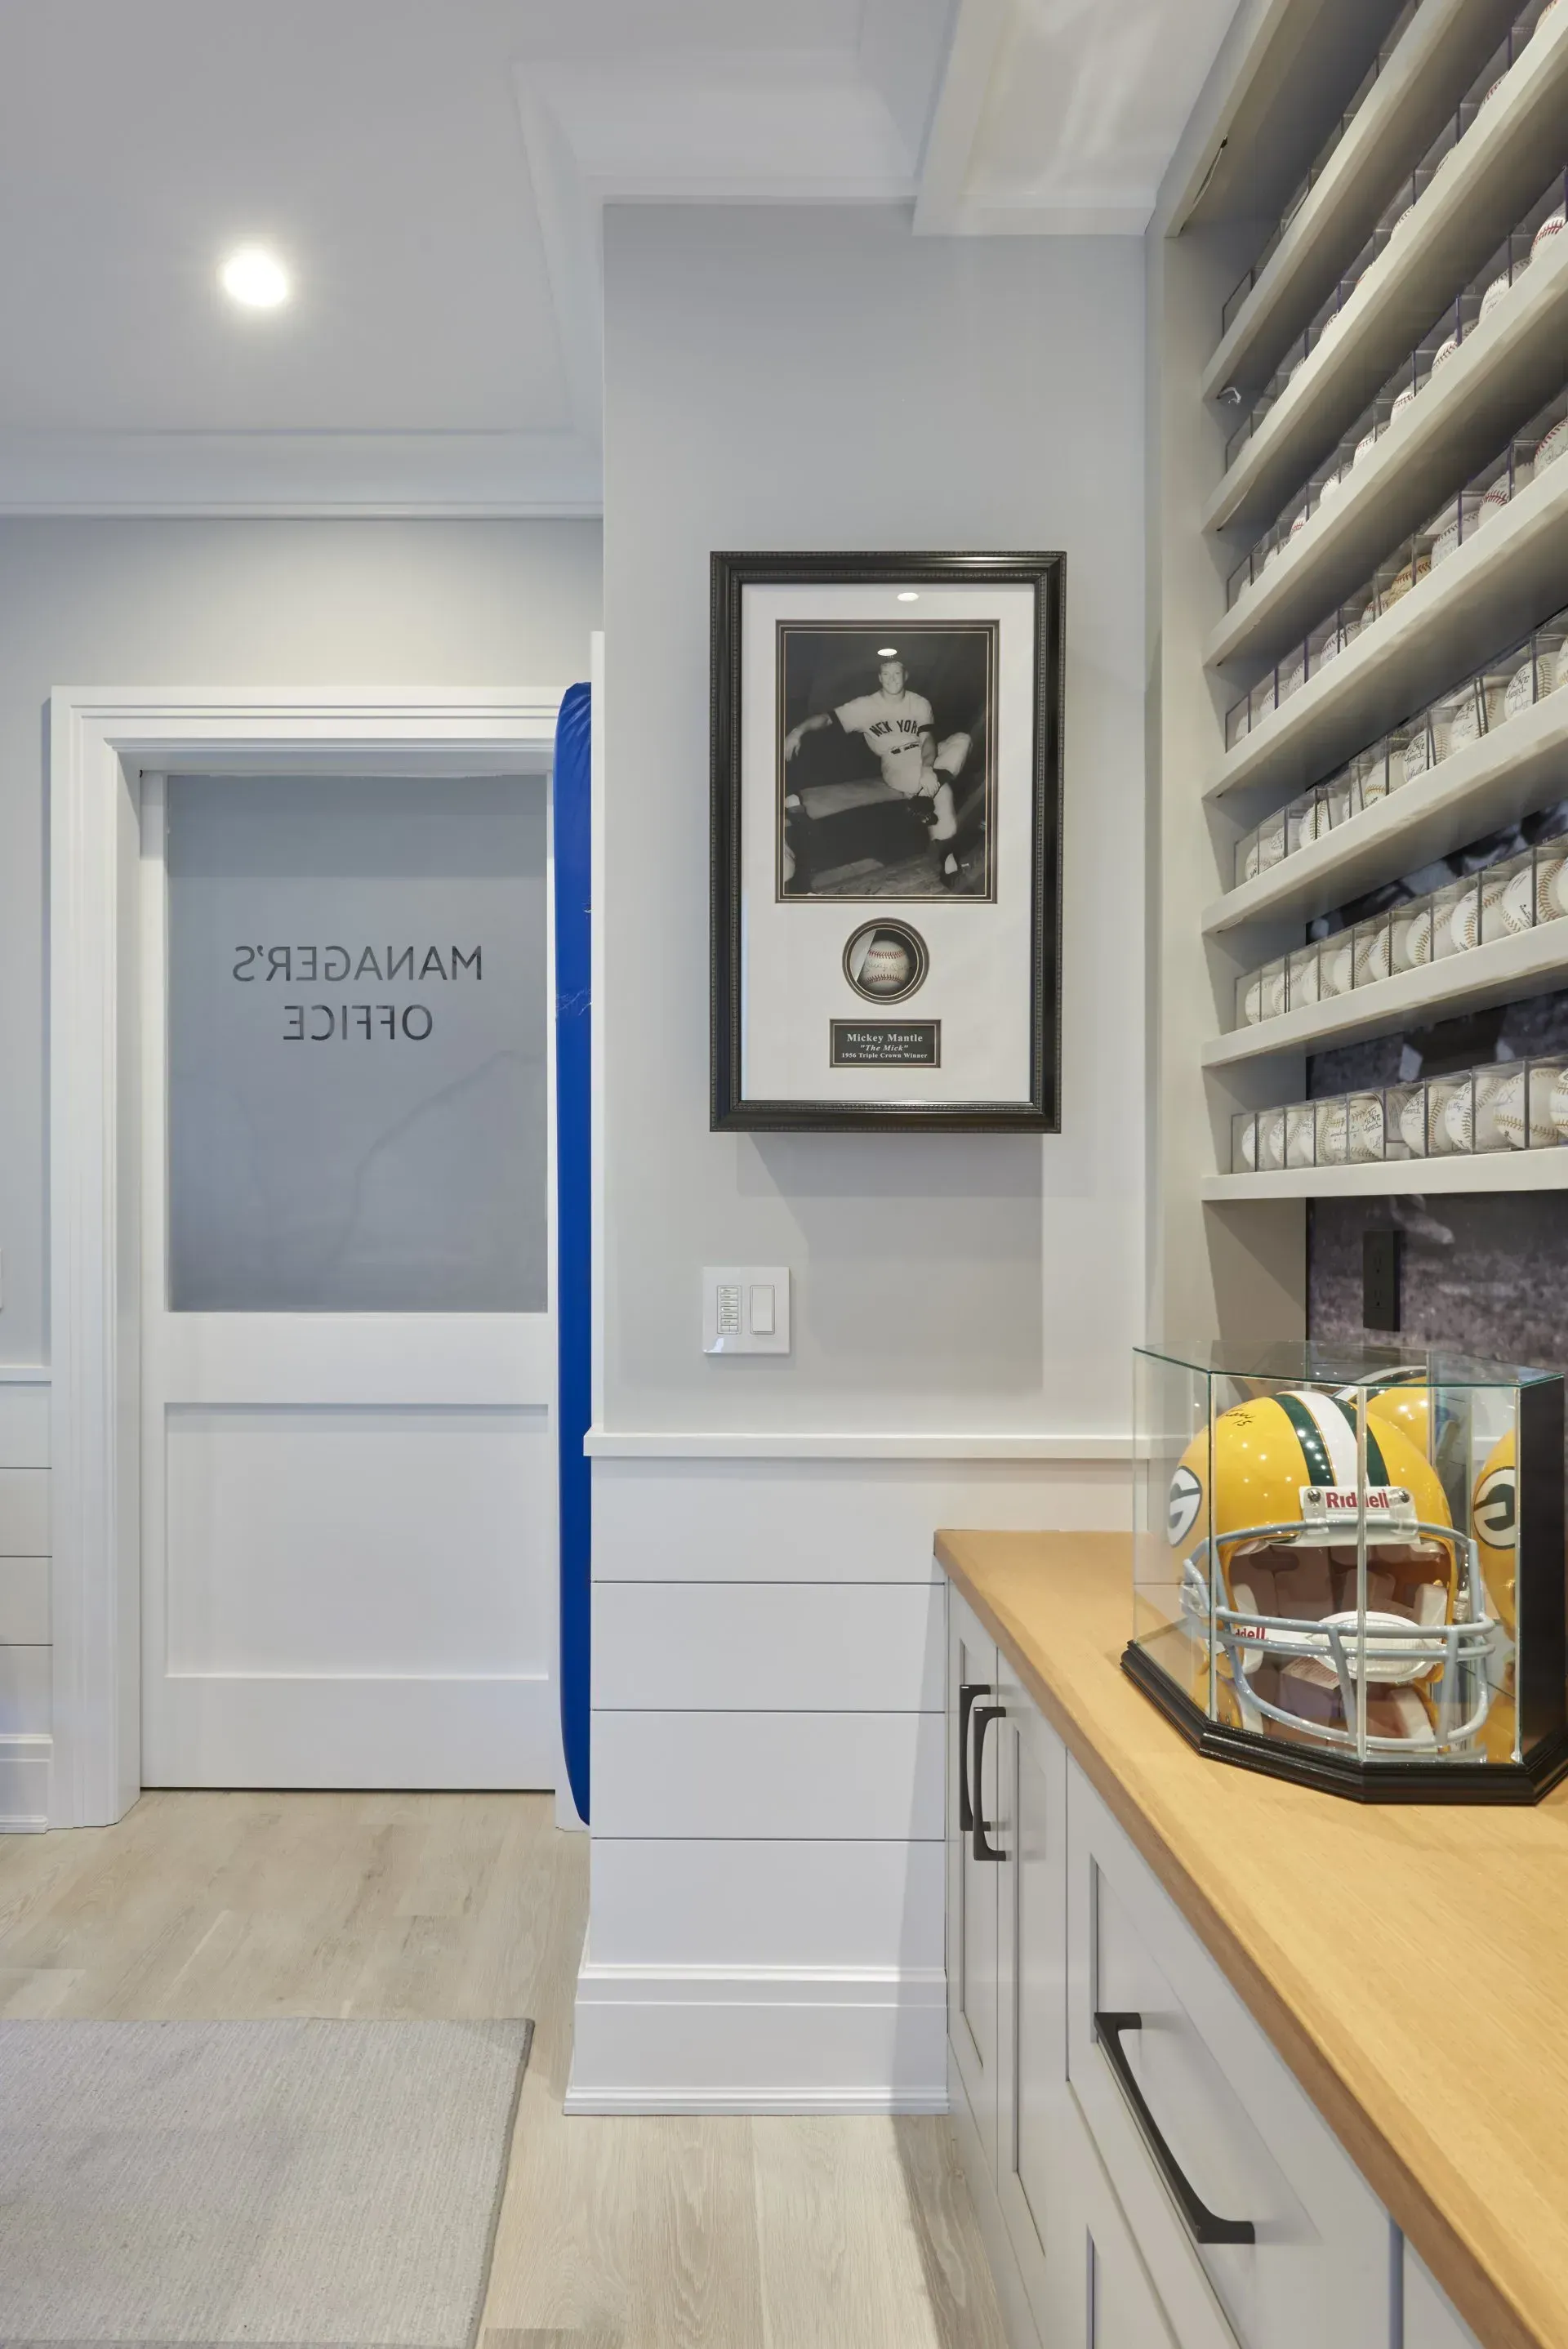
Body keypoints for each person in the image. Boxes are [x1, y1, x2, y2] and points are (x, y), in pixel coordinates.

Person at [783, 653, 971, 875]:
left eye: (897, 673)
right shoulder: (866, 706)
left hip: (925, 754)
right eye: (886, 674)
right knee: (942, 791)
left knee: (962, 739)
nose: (892, 679)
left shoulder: (919, 703)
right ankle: (948, 863)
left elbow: (927, 740)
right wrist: (797, 731)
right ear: (880, 678)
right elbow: (826, 719)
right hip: (897, 761)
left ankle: (923, 796)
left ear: (906, 676)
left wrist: (928, 768)